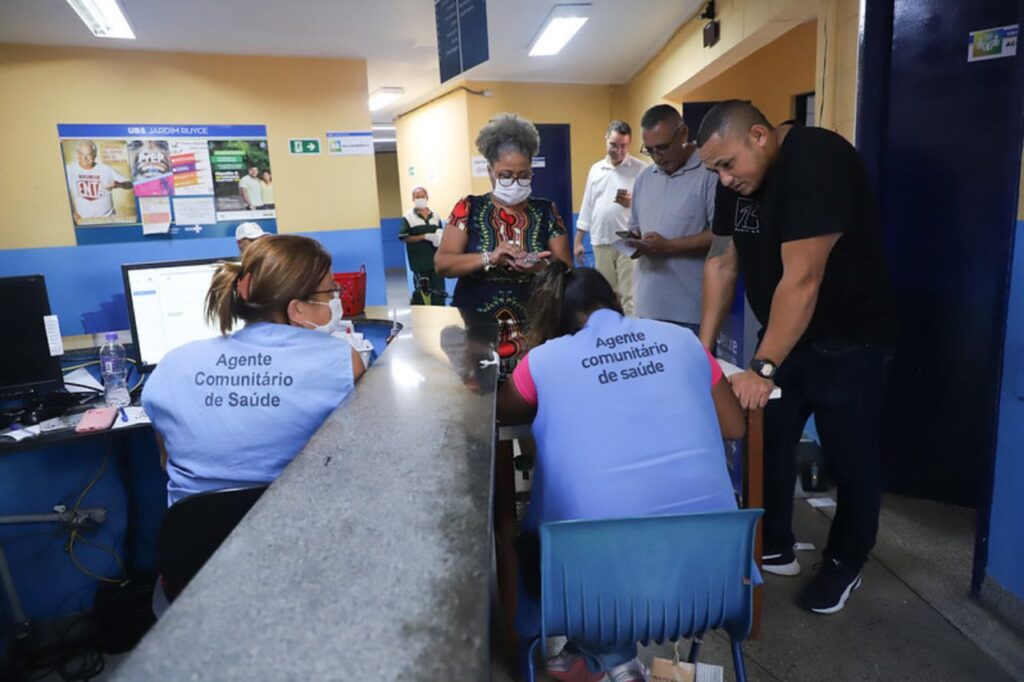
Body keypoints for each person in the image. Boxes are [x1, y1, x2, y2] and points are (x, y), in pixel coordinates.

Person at [498, 263, 745, 681]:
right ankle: (602, 657)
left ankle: (606, 658)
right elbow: (734, 425)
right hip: (710, 582)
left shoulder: (543, 360)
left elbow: (503, 410)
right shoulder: (683, 340)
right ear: (616, 300)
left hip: (586, 593)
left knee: (511, 522)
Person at [696, 100, 894, 614]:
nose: (723, 178)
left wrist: (762, 366)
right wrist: (701, 349)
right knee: (769, 440)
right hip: (788, 339)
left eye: (726, 164)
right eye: (714, 169)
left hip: (851, 340)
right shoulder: (735, 185)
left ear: (759, 136)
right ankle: (775, 542)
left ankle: (844, 562)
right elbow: (721, 262)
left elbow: (803, 278)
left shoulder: (817, 160)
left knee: (852, 459)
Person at [143, 234, 366, 506]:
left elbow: (166, 462)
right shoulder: (341, 360)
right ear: (296, 309)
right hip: (303, 530)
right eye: (331, 291)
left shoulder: (172, 366)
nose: (336, 299)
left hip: (198, 542)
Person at [435, 112, 572, 358]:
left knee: (530, 393)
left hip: (534, 329)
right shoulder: (468, 208)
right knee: (482, 392)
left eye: (524, 175)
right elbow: (442, 264)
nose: (515, 182)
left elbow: (566, 267)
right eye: (506, 176)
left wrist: (539, 267)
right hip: (477, 331)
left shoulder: (546, 210)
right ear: (490, 172)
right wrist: (489, 257)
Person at [628, 104, 717, 333]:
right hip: (647, 307)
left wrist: (669, 246)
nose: (656, 157)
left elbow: (722, 236)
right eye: (649, 150)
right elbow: (635, 228)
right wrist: (635, 242)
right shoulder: (644, 178)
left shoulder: (710, 173)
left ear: (683, 134)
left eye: (663, 148)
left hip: (690, 311)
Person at [572, 120, 645, 315]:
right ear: (606, 140)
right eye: (614, 145)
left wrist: (633, 202)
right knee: (607, 295)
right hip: (600, 239)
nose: (618, 150)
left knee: (630, 295)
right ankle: (611, 337)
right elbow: (587, 205)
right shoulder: (596, 169)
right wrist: (578, 241)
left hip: (628, 241)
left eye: (623, 145)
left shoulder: (641, 169)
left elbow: (651, 207)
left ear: (629, 144)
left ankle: (632, 338)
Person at [65, 140, 133, 222]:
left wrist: (118, 185)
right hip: (84, 221)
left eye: (88, 155)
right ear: (78, 155)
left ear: (95, 155)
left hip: (108, 219)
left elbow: (130, 184)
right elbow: (62, 193)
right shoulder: (69, 170)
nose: (85, 158)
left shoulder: (106, 169)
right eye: (82, 154)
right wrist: (72, 212)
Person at [399, 186, 445, 306]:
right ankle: (422, 318)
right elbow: (404, 237)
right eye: (417, 197)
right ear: (413, 199)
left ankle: (440, 318)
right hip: (419, 263)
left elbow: (440, 233)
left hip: (436, 262)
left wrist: (438, 239)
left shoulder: (436, 216)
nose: (420, 199)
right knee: (421, 293)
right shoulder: (408, 218)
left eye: (422, 196)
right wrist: (424, 236)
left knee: (439, 292)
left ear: (427, 197)